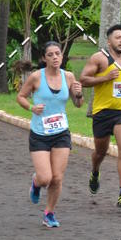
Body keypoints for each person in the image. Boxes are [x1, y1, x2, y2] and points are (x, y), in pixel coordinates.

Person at [17, 41, 83, 227]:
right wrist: (31, 107)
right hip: (39, 134)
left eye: (58, 54)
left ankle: (49, 213)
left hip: (61, 133)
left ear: (62, 56)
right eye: (50, 55)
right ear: (44, 58)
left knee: (57, 177)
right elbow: (20, 97)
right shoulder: (36, 77)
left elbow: (78, 104)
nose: (55, 57)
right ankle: (36, 183)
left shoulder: (69, 77)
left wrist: (78, 94)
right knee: (45, 177)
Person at [79, 23, 121, 209]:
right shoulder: (99, 58)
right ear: (109, 40)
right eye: (118, 37)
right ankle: (95, 171)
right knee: (100, 152)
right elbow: (83, 80)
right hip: (102, 112)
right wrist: (104, 77)